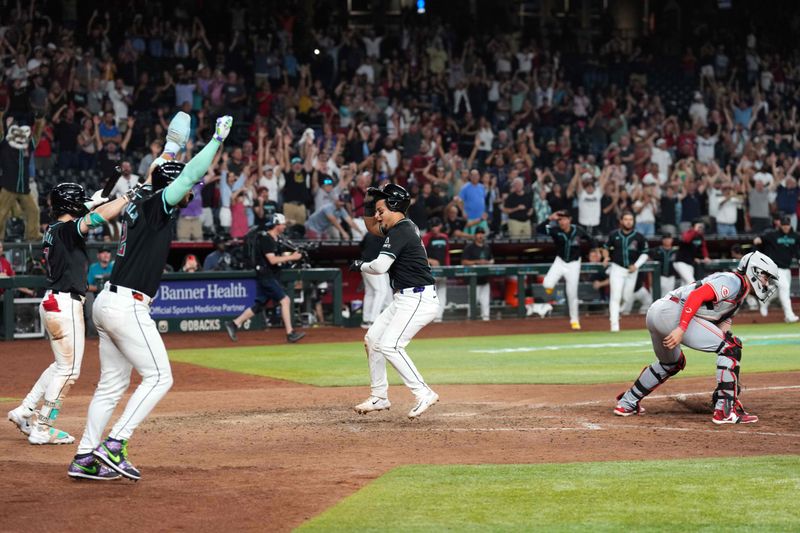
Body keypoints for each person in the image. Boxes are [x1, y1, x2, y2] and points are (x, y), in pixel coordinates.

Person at [67, 116, 232, 481]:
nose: (193, 192)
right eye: (187, 188)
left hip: (107, 303)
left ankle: (84, 456)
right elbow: (185, 177)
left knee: (111, 386)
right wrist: (216, 141)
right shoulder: (159, 204)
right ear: (172, 186)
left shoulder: (141, 194)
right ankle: (114, 444)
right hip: (127, 306)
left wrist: (172, 146)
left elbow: (162, 171)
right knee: (160, 377)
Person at [7, 183, 130, 447]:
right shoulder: (67, 230)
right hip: (65, 304)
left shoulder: (54, 229)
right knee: (70, 371)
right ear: (72, 206)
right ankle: (42, 427)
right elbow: (96, 219)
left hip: (53, 301)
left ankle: (25, 410)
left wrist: (91, 203)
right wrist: (126, 198)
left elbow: (80, 216)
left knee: (59, 367)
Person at [614, 251, 780, 425]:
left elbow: (722, 332)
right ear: (755, 272)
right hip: (674, 313)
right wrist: (681, 328)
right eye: (766, 277)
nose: (766, 282)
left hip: (658, 312)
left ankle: (627, 403)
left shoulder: (739, 293)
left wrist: (729, 382)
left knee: (672, 363)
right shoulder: (733, 281)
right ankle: (724, 411)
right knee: (731, 347)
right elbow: (696, 296)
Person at [349, 184, 440, 419]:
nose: (377, 215)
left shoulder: (402, 230)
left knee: (390, 345)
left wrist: (361, 265)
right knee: (373, 339)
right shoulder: (401, 227)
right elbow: (371, 227)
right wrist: (371, 202)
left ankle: (423, 393)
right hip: (404, 298)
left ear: (395, 207)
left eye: (381, 210)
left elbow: (379, 267)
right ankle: (379, 396)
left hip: (418, 298)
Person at [224, 213, 306, 344]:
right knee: (285, 300)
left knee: (259, 305)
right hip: (266, 275)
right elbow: (272, 260)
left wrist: (294, 255)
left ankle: (234, 323)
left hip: (270, 275)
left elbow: (280, 256)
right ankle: (290, 333)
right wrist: (292, 257)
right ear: (276, 225)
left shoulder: (277, 239)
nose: (284, 226)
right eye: (282, 224)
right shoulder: (266, 239)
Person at [536, 210, 595, 330]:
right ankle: (550, 287)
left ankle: (574, 320)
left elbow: (591, 240)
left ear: (569, 219)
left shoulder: (578, 230)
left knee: (572, 294)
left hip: (574, 264)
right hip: (560, 261)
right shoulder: (555, 231)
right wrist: (549, 219)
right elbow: (539, 229)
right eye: (559, 220)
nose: (561, 222)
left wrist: (594, 251)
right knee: (547, 283)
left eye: (564, 219)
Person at [603, 211, 650, 332]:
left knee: (626, 297)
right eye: (626, 219)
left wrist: (636, 265)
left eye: (630, 219)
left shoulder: (639, 236)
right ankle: (614, 324)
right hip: (617, 268)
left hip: (632, 271)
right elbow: (605, 248)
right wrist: (606, 257)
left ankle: (617, 311)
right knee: (615, 296)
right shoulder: (614, 234)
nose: (628, 221)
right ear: (621, 221)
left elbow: (645, 253)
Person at [0, 114, 43, 241]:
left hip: (24, 187)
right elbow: (1, 133)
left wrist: (39, 122)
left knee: (33, 211)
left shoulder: (27, 148)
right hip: (8, 186)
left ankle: (32, 234)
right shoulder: (4, 146)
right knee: (1, 214)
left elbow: (36, 136)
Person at [753, 215, 799, 322]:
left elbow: (797, 250)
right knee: (785, 287)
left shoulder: (795, 236)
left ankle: (764, 300)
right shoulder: (773, 235)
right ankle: (789, 315)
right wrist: (758, 239)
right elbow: (760, 238)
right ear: (780, 225)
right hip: (775, 267)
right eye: (784, 225)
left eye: (787, 225)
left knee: (780, 292)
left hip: (786, 268)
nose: (786, 227)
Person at [359, 232, 391, 328]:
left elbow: (361, 246)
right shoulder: (385, 234)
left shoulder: (370, 232)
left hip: (364, 264)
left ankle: (366, 320)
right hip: (374, 264)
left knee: (370, 292)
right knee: (381, 291)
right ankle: (373, 320)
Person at [461, 227, 494, 321]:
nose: (480, 235)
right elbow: (464, 262)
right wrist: (478, 262)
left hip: (485, 279)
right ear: (475, 235)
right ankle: (471, 321)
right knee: (473, 302)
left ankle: (486, 321)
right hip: (473, 281)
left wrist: (488, 262)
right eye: (479, 233)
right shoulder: (469, 247)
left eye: (482, 233)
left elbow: (491, 259)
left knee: (485, 302)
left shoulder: (487, 247)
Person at [422, 217, 451, 322]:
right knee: (430, 295)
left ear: (440, 226)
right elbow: (421, 253)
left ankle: (439, 317)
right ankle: (430, 317)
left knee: (442, 294)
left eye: (436, 226)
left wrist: (448, 267)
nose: (434, 228)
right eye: (432, 226)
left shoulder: (445, 237)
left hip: (442, 269)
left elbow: (447, 254)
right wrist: (430, 260)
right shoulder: (426, 237)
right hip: (430, 270)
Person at [674, 221, 710, 285]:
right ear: (693, 227)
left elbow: (703, 247)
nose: (700, 228)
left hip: (690, 263)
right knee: (691, 282)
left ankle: (682, 295)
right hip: (681, 262)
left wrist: (706, 257)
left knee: (685, 284)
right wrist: (694, 230)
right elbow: (686, 239)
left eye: (701, 227)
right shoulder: (688, 233)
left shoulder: (700, 237)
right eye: (699, 227)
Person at [653, 233, 678, 297]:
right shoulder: (656, 250)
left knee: (668, 296)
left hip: (671, 276)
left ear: (672, 240)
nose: (667, 240)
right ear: (662, 240)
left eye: (669, 239)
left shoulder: (676, 251)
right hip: (660, 276)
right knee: (658, 296)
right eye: (665, 239)